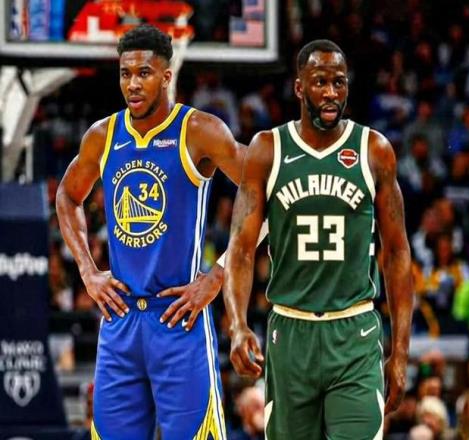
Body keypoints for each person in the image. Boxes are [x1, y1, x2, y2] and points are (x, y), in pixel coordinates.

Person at [56, 24, 247, 439]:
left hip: (179, 317)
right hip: (120, 320)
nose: (133, 84)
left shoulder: (200, 130)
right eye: (125, 74)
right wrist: (88, 271)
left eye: (144, 73)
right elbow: (67, 196)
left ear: (166, 76)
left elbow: (263, 194)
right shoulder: (103, 136)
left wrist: (218, 275)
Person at [223, 39, 414, 439]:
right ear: (299, 87)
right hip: (290, 332)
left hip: (355, 332)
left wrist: (400, 351)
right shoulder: (267, 150)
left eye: (339, 83)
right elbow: (240, 250)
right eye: (320, 82)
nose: (330, 93)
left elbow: (397, 253)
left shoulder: (374, 150)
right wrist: (237, 325)